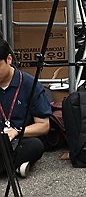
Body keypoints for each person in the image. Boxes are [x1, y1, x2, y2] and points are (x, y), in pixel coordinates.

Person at [0, 36, 52, 178]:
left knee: (35, 146)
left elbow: (43, 125)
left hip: (20, 139)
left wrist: (16, 131)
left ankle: (8, 166)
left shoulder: (29, 84)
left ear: (9, 59)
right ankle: (14, 166)